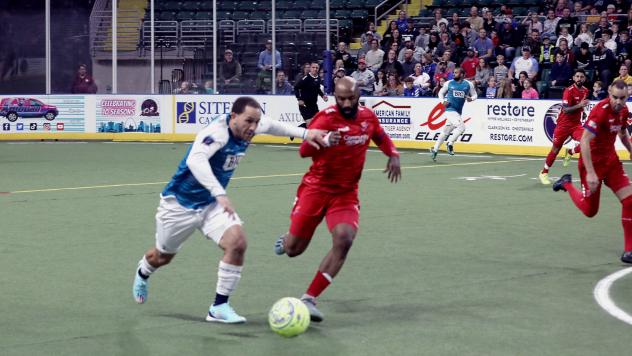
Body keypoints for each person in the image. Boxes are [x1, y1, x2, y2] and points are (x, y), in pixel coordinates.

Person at [131, 97, 329, 323]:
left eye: (256, 122)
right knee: (162, 257)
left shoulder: (252, 126)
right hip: (179, 205)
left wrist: (307, 133)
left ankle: (219, 307)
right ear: (233, 116)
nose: (253, 127)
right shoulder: (217, 132)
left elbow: (273, 125)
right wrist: (219, 193)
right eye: (248, 121)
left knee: (238, 242)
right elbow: (196, 161)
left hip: (212, 205)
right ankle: (143, 271)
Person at [273, 77, 401, 322]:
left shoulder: (367, 117)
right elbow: (303, 152)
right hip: (315, 189)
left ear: (358, 96)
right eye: (341, 98)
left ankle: (309, 298)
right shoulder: (326, 118)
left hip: (345, 193)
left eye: (350, 98)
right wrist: (321, 140)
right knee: (293, 250)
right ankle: (287, 238)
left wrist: (393, 154)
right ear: (334, 97)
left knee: (344, 239)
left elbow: (380, 136)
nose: (346, 103)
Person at [552, 80, 632, 264]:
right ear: (609, 94)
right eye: (615, 97)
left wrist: (630, 149)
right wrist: (590, 172)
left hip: (611, 161)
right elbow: (585, 141)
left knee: (629, 201)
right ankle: (566, 183)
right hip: (592, 164)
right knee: (590, 211)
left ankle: (629, 251)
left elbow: (621, 133)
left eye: (622, 98)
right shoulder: (600, 111)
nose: (618, 102)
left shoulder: (623, 111)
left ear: (627, 96)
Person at [538, 69, 589, 185]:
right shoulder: (568, 91)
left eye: (582, 77)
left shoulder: (586, 90)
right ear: (574, 77)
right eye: (577, 76)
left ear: (584, 79)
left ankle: (570, 152)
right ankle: (544, 172)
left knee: (587, 142)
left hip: (576, 125)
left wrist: (583, 110)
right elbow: (566, 110)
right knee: (555, 150)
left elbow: (579, 106)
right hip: (563, 125)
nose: (579, 79)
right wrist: (580, 105)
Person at [430, 67, 477, 161]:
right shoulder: (449, 83)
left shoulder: (468, 84)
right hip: (449, 110)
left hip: (458, 112)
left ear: (462, 74)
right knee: (461, 128)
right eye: (454, 72)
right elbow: (440, 93)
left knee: (445, 131)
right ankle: (450, 143)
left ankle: (434, 149)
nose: (454, 74)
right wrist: (442, 101)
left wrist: (471, 99)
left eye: (456, 73)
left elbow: (475, 95)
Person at [295, 62, 328, 128]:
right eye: (313, 67)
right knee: (310, 124)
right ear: (310, 68)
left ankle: (296, 129)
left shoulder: (318, 78)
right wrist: (299, 99)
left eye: (317, 68)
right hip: (305, 105)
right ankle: (295, 130)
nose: (315, 69)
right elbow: (296, 87)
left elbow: (317, 89)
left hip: (313, 106)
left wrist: (323, 96)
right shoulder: (306, 78)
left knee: (318, 122)